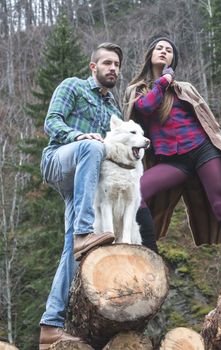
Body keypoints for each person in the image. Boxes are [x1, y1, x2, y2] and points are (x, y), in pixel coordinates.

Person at [123, 34, 221, 284]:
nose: (163, 51)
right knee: (134, 192)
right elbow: (147, 107)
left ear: (173, 59)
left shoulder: (184, 88)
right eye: (159, 48)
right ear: (150, 54)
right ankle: (153, 258)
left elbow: (208, 122)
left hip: (202, 150)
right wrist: (163, 80)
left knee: (220, 201)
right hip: (172, 161)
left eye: (168, 50)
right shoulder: (137, 90)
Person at [38, 42, 123, 349]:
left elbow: (117, 149)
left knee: (70, 252)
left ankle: (51, 323)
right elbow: (52, 122)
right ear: (93, 67)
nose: (112, 68)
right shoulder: (73, 86)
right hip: (59, 159)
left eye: (116, 64)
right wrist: (78, 135)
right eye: (106, 63)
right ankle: (84, 233)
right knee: (92, 146)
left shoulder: (115, 109)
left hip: (84, 184)